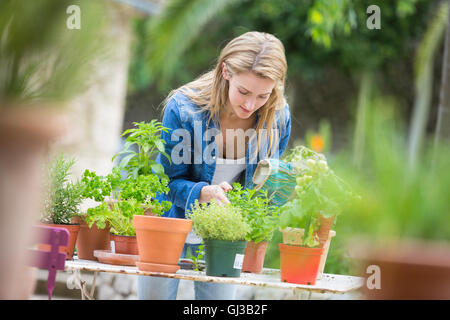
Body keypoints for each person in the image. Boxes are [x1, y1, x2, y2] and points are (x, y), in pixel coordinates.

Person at [137, 31, 291, 300]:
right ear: (226, 72)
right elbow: (168, 182)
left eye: (262, 96)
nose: (250, 104)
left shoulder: (277, 117)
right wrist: (202, 193)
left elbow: (269, 184)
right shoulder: (184, 109)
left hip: (225, 237)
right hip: (170, 224)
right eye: (243, 91)